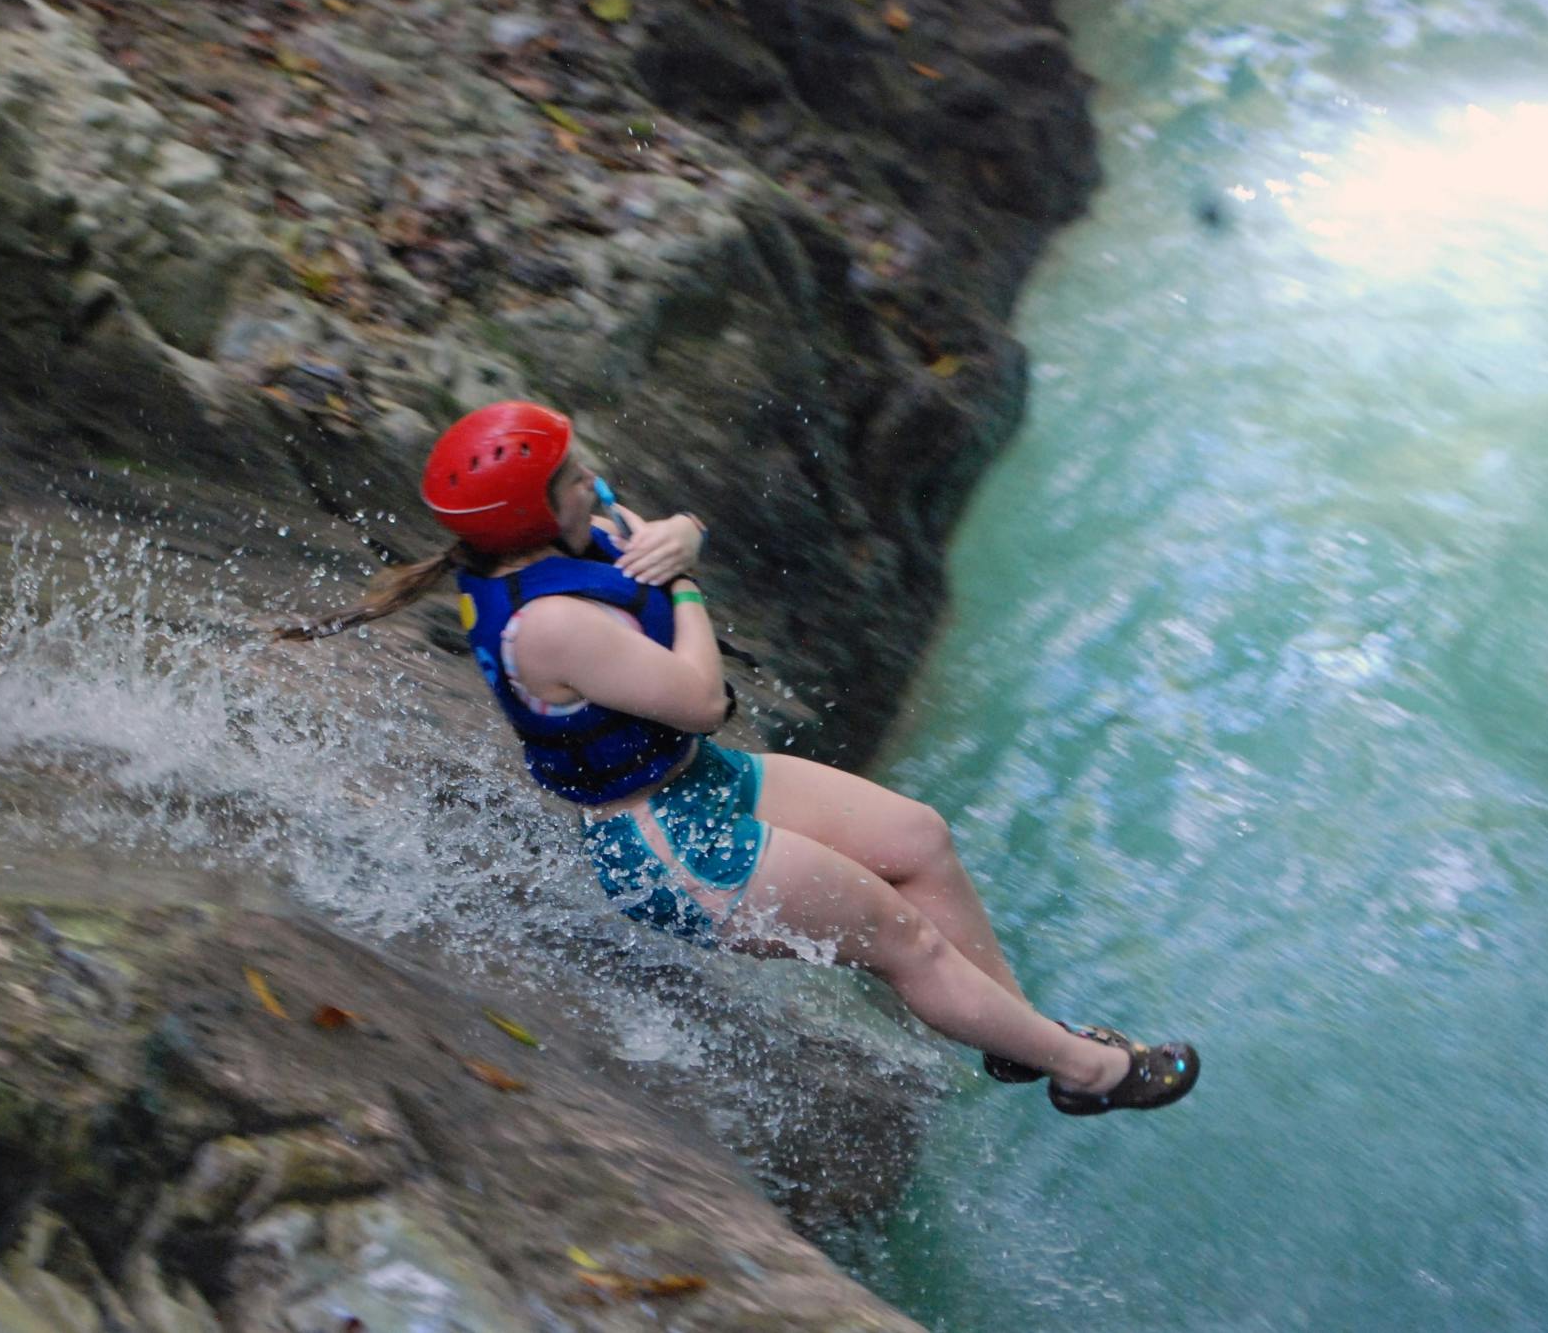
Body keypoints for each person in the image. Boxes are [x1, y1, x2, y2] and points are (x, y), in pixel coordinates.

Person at [282, 401, 1198, 1116]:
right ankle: (1090, 1067)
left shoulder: (574, 535)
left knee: (919, 836)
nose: (592, 479)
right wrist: (685, 579)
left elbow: (654, 533)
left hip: (699, 784)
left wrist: (684, 532)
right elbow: (704, 700)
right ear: (531, 511)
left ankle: (1019, 1037)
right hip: (660, 838)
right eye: (571, 476)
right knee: (905, 941)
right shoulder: (547, 620)